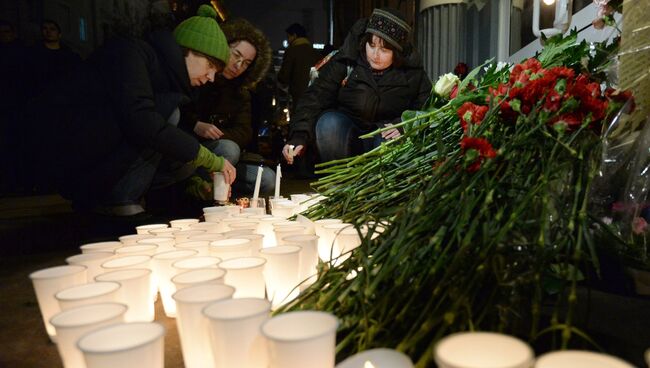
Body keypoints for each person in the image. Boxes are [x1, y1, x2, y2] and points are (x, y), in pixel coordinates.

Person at [13, 5, 236, 216]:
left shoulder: (170, 83)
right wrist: (211, 160)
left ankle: (125, 197)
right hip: (67, 155)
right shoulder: (131, 53)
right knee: (170, 116)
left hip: (101, 157)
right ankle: (116, 199)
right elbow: (142, 122)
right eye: (210, 66)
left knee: (175, 129)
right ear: (189, 50)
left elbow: (168, 148)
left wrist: (195, 183)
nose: (211, 78)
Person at [281, 8, 432, 164]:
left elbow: (426, 108)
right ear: (364, 41)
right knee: (329, 123)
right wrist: (299, 135)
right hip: (347, 133)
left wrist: (402, 124)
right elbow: (316, 97)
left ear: (397, 51)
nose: (375, 54)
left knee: (390, 141)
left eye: (384, 49)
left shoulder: (412, 72)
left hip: (384, 136)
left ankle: (378, 183)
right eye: (371, 45)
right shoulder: (346, 61)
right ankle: (340, 181)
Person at [181, 18, 276, 197]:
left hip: (224, 157)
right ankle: (202, 193)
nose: (238, 66)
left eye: (247, 62)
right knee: (228, 148)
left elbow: (244, 133)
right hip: (189, 154)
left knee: (267, 178)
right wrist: (196, 125)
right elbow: (177, 115)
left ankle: (219, 193)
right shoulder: (197, 76)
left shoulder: (241, 94)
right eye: (236, 55)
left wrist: (216, 132)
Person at [28, 19, 82, 91]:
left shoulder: (69, 55)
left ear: (59, 34)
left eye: (52, 29)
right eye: (45, 28)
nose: (48, 31)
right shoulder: (33, 53)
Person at [277, 23, 322, 108]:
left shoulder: (292, 51)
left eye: (288, 37)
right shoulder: (315, 53)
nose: (288, 40)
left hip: (298, 96)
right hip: (315, 95)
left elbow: (284, 76)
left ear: (294, 35)